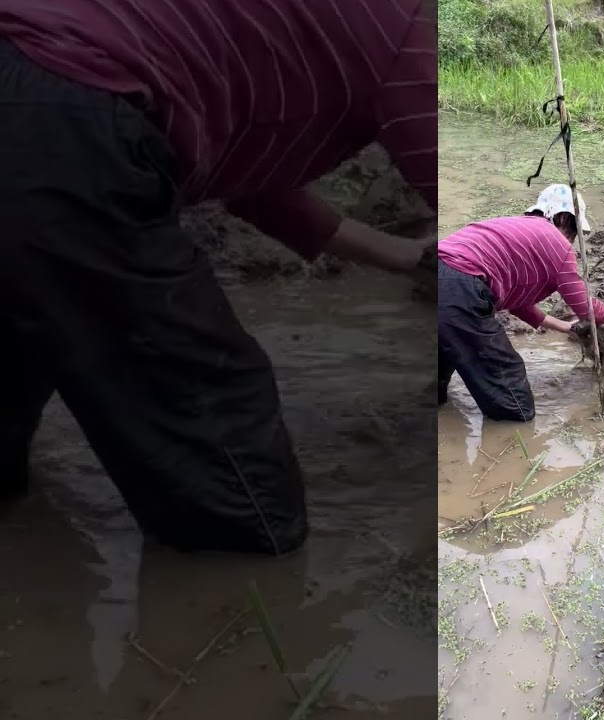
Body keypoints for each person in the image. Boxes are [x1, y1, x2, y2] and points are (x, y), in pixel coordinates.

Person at [0, 0, 438, 556]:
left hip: (37, 84)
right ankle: (232, 604)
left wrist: (404, 254)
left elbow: (254, 183)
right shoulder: (407, 28)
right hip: (62, 120)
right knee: (237, 491)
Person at [438, 184, 604, 422]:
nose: (573, 240)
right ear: (564, 218)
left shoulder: (517, 230)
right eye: (575, 231)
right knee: (514, 405)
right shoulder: (557, 242)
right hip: (458, 289)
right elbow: (581, 305)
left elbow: (517, 304)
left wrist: (565, 327)